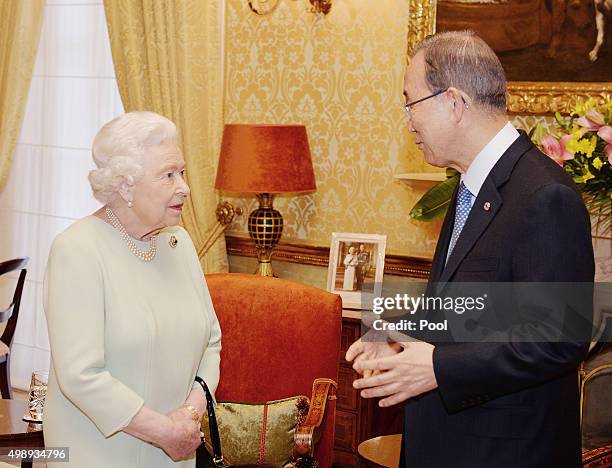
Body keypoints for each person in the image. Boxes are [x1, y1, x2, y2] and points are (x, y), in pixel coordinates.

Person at [346, 31, 594, 467]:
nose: (408, 121)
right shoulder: (470, 186)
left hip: (505, 451)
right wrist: (397, 339)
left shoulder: (544, 195)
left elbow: (558, 340)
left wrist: (439, 367)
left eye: (411, 102)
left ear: (454, 102)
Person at [43, 111, 222, 467]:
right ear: (125, 185)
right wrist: (165, 432)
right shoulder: (77, 250)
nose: (184, 187)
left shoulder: (180, 243)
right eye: (168, 175)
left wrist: (189, 413)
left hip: (175, 453)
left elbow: (211, 341)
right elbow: (81, 376)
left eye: (182, 173)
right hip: (98, 453)